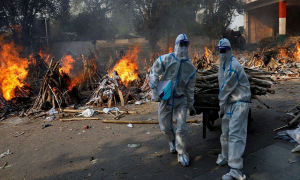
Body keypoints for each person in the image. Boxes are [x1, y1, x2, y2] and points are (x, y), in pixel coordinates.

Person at [149, 34, 196, 167]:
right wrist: (155, 90)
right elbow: (154, 73)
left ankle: (182, 152)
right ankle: (173, 140)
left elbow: (190, 89)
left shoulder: (190, 67)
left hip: (181, 99)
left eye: (186, 45)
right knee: (164, 127)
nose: (183, 48)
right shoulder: (165, 59)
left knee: (182, 126)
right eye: (181, 44)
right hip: (165, 94)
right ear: (176, 45)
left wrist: (191, 105)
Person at [216, 38, 251, 180]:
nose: (222, 53)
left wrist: (220, 105)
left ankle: (236, 169)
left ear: (230, 50)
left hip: (240, 103)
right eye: (220, 51)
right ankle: (225, 156)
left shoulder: (233, 66)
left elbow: (225, 89)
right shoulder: (223, 64)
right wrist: (224, 106)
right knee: (225, 132)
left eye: (224, 51)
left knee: (236, 135)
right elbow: (221, 84)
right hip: (231, 102)